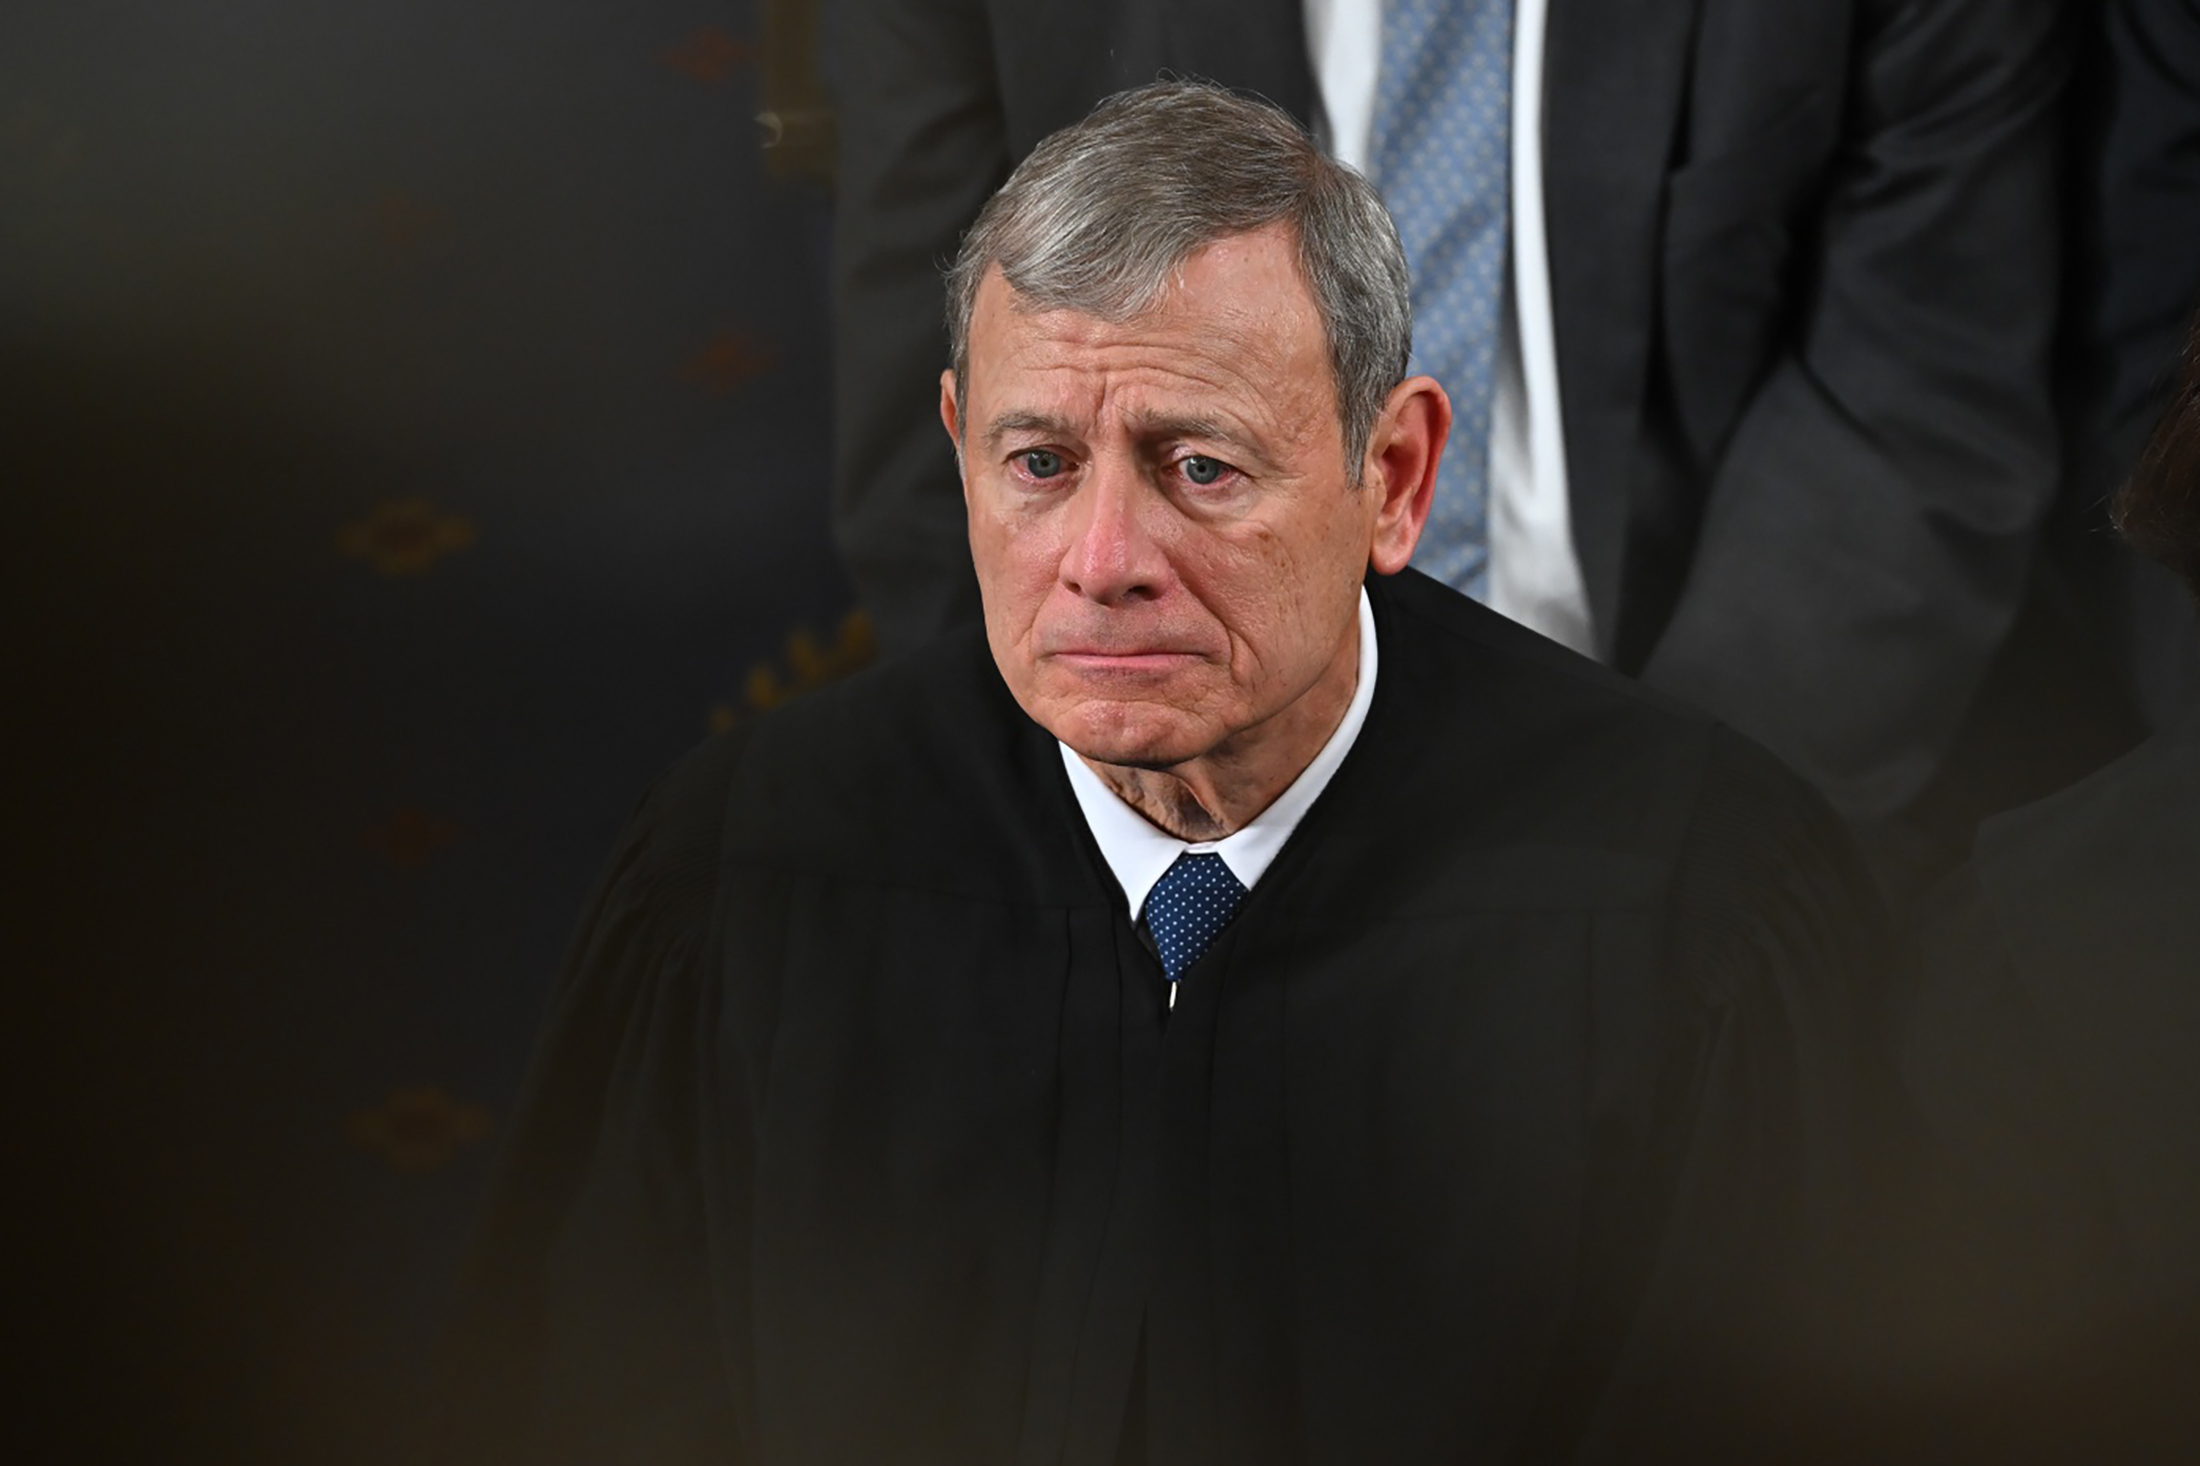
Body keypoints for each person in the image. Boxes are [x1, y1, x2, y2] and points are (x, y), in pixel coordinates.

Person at [444, 85, 1897, 1464]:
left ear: (1393, 476)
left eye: (1199, 466)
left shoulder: (1692, 903)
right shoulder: (748, 872)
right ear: (957, 449)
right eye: (1038, 462)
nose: (1102, 562)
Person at [829, 0, 2095, 900]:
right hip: (1156, 827)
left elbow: (1914, 399)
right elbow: (956, 407)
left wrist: (1668, 851)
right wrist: (1092, 870)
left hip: (1699, 777)